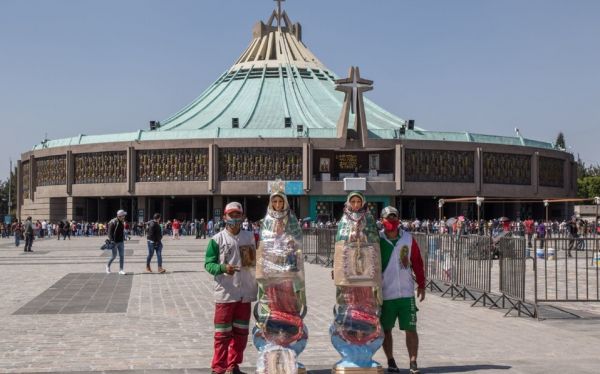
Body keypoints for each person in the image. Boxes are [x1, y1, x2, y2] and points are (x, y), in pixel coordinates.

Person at [204, 202, 257, 374]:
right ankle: (218, 368)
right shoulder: (217, 239)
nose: (234, 218)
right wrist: (222, 268)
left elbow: (256, 260)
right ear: (225, 217)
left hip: (245, 293)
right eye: (231, 215)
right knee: (222, 334)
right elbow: (209, 264)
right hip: (226, 293)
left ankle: (233, 365)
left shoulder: (250, 237)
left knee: (241, 334)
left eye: (237, 215)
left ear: (242, 217)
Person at [379, 206, 426, 374]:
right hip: (385, 293)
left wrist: (421, 284)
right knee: (386, 330)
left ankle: (413, 361)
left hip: (406, 293)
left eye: (394, 217)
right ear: (382, 220)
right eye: (388, 218)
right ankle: (391, 361)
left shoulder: (408, 238)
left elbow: (417, 262)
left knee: (411, 328)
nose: (391, 221)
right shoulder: (377, 239)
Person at [106, 210, 127, 275]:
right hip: (114, 242)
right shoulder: (113, 222)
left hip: (121, 242)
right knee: (114, 256)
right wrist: (112, 241)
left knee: (122, 256)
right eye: (123, 215)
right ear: (120, 216)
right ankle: (107, 266)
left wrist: (124, 237)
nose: (124, 216)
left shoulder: (122, 221)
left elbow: (121, 231)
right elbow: (109, 233)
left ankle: (121, 270)